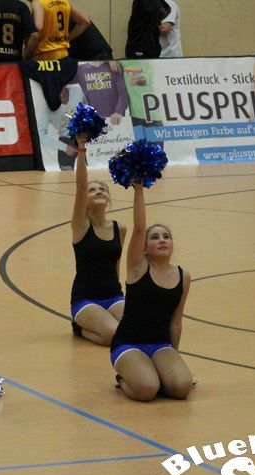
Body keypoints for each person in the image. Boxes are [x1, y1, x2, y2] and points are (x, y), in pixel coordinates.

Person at [110, 181, 192, 401]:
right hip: (129, 343)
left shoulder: (183, 276)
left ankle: (158, 373)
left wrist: (173, 357)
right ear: (144, 248)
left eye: (166, 236)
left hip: (160, 344)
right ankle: (123, 378)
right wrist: (138, 190)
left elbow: (176, 321)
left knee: (182, 388)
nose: (162, 240)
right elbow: (139, 228)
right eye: (155, 237)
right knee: (147, 390)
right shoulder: (138, 268)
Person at [69, 134, 127, 345]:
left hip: (114, 296)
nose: (98, 191)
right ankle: (79, 328)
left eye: (102, 189)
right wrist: (81, 148)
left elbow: (116, 266)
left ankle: (102, 323)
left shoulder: (120, 228)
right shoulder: (81, 226)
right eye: (92, 190)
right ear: (84, 200)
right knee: (114, 335)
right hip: (85, 299)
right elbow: (80, 187)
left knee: (136, 330)